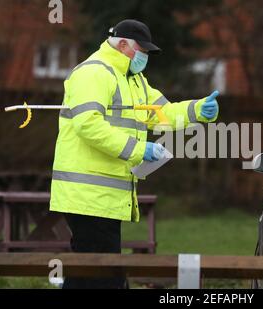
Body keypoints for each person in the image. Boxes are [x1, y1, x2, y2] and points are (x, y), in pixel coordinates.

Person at [49, 19, 219, 289]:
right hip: (87, 194)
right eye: (142, 50)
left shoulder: (134, 79)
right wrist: (140, 149)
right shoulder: (94, 73)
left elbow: (163, 114)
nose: (145, 56)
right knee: (103, 276)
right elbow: (88, 125)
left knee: (92, 275)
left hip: (103, 196)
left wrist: (197, 110)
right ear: (123, 44)